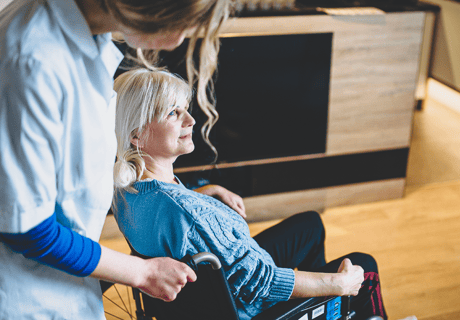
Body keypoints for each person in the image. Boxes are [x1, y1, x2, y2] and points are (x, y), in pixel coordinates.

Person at [0, 0, 229, 318]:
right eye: (175, 23)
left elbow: (71, 176)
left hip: (68, 285)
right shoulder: (32, 59)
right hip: (27, 297)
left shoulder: (89, 36)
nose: (177, 41)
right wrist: (142, 272)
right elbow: (27, 229)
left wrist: (192, 194)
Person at [112, 68, 386, 320]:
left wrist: (205, 193)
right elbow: (261, 284)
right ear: (137, 134)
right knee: (365, 265)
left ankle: (321, 311)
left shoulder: (128, 188)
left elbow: (172, 215)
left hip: (207, 300)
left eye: (185, 109)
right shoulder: (188, 213)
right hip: (250, 308)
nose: (191, 120)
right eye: (173, 113)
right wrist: (337, 285)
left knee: (310, 225)